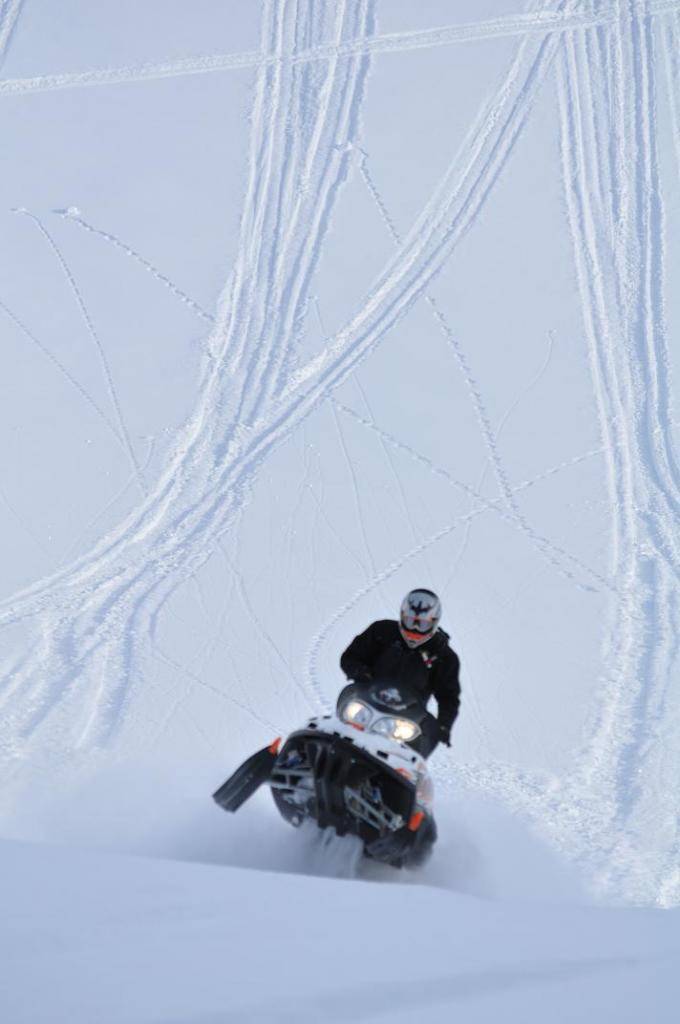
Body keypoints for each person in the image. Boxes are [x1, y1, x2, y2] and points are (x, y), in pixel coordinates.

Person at [340, 588, 461, 756]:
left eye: (423, 624)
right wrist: (361, 673)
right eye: (411, 621)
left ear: (434, 623)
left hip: (407, 718)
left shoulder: (443, 656)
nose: (415, 629)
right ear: (402, 616)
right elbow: (350, 657)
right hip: (366, 703)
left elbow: (449, 697)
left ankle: (404, 778)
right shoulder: (381, 632)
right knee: (339, 731)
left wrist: (443, 725)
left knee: (410, 758)